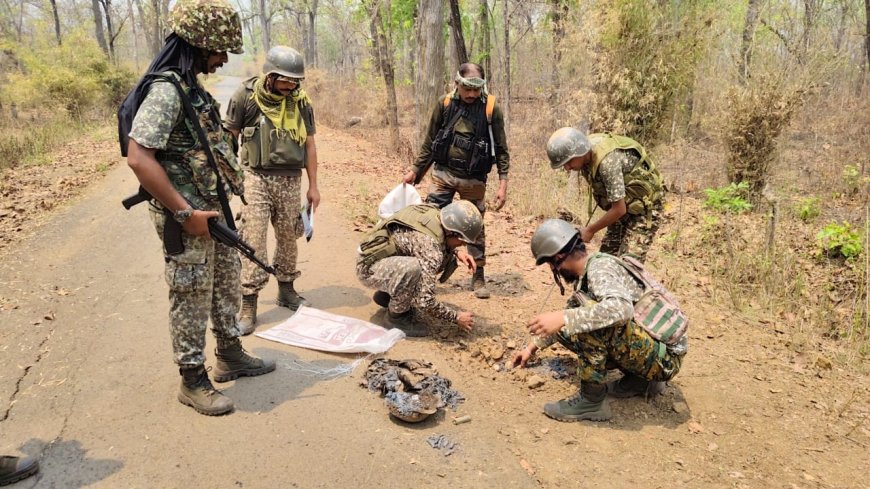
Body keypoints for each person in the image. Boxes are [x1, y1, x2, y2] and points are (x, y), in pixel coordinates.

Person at [124, 0, 275, 416]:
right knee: (190, 292)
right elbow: (139, 157)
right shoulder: (165, 90)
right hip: (187, 218)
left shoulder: (190, 86)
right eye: (218, 50)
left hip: (214, 213)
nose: (223, 59)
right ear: (198, 44)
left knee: (225, 282)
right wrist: (184, 214)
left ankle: (230, 353)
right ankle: (192, 380)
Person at [512, 219, 687, 422]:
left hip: (665, 360)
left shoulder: (599, 269)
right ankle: (642, 381)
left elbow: (621, 310)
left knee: (585, 320)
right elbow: (567, 317)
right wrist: (531, 347)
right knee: (574, 318)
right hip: (657, 352)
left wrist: (565, 317)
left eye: (551, 265)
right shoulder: (587, 274)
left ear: (558, 258)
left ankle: (591, 401)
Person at [225, 46, 320, 335]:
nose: (290, 86)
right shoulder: (246, 96)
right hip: (254, 176)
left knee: (289, 236)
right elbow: (229, 138)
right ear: (271, 74)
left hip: (290, 179)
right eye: (285, 80)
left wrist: (314, 186)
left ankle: (286, 289)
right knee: (253, 236)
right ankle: (249, 303)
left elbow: (310, 145)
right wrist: (230, 179)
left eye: (295, 81)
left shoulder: (301, 102)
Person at [402, 62, 510, 299]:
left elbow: (502, 149)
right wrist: (415, 170)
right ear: (457, 84)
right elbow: (430, 142)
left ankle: (478, 273)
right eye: (467, 88)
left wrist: (502, 184)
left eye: (476, 89)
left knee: (475, 227)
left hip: (474, 180)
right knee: (432, 222)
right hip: (444, 175)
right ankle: (432, 265)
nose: (471, 94)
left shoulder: (491, 109)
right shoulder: (445, 104)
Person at [356, 201, 482, 337]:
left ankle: (387, 296)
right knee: (413, 268)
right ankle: (396, 318)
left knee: (438, 259)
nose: (462, 244)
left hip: (379, 260)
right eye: (462, 241)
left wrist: (457, 252)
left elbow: (415, 242)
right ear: (453, 232)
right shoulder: (431, 249)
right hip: (368, 270)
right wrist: (455, 317)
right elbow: (425, 300)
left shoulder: (435, 215)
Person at [545, 127, 664, 262]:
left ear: (579, 152)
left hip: (645, 208)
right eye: (563, 164)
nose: (567, 168)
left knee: (629, 265)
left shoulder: (607, 162)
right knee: (606, 259)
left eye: (568, 162)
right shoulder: (584, 156)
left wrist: (590, 230)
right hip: (625, 207)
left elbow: (619, 209)